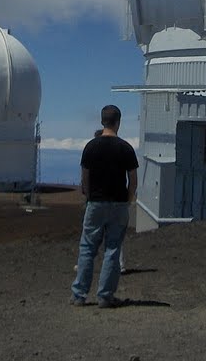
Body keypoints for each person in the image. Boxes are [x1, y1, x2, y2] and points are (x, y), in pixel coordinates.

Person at [71, 105, 138, 308]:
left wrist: (89, 197)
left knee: (87, 248)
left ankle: (79, 295)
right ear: (118, 122)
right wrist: (127, 199)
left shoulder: (91, 147)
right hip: (118, 204)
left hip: (96, 204)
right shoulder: (125, 148)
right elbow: (133, 179)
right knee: (112, 249)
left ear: (102, 122)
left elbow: (85, 178)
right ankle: (105, 296)